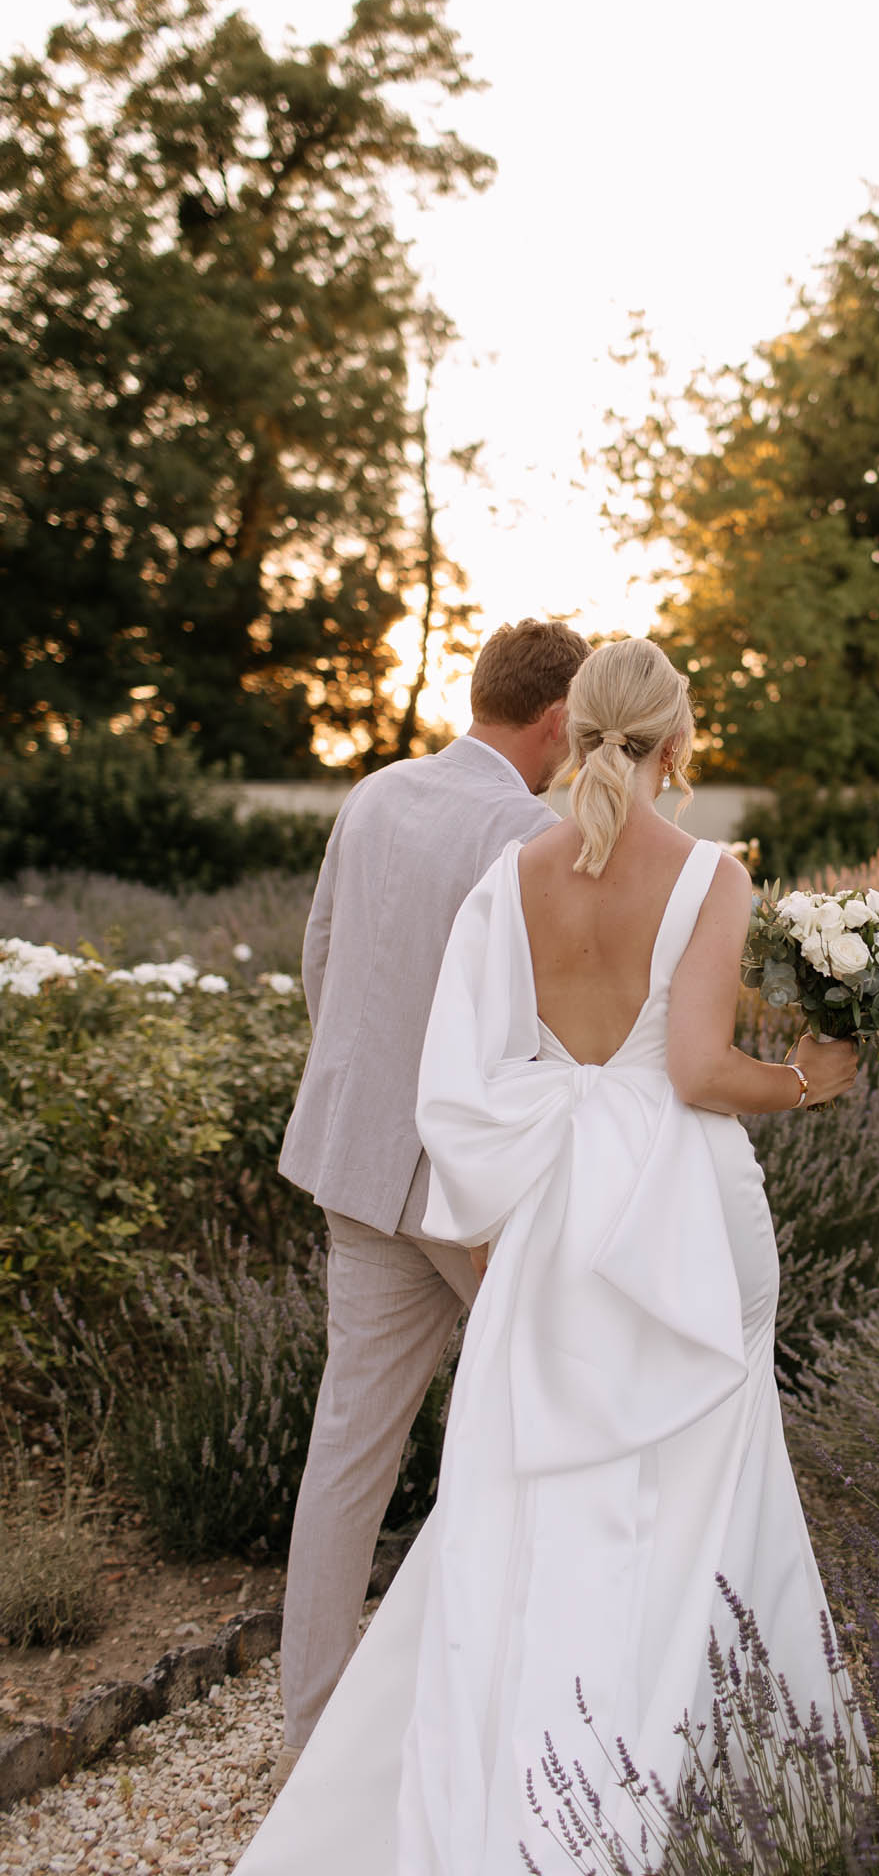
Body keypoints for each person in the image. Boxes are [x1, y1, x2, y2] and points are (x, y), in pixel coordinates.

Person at [209, 637, 859, 1876]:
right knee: (695, 1475)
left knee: (509, 1481)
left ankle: (447, 1750)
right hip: (671, 1211)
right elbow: (689, 1070)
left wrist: (502, 1186)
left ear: (575, 734)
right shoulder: (708, 872)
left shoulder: (498, 863)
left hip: (505, 1199)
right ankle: (690, 1771)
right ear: (675, 740)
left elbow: (415, 1032)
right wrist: (807, 1079)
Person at [271, 617, 590, 1786]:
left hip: (355, 1163)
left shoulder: (375, 793)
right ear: (556, 719)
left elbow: (320, 957)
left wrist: (363, 1099)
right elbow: (535, 1031)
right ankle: (517, 1700)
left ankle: (311, 1736)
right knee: (545, 1421)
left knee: (348, 1445)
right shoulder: (525, 832)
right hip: (470, 1195)